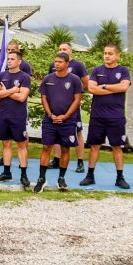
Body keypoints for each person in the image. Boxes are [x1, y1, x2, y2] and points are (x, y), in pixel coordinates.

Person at [81, 45, 131, 189]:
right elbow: (91, 89)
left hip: (116, 116)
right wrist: (112, 88)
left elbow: (123, 87)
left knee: (117, 146)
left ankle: (120, 178)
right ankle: (90, 176)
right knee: (94, 146)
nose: (107, 56)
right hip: (97, 116)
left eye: (110, 53)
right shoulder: (97, 70)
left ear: (117, 55)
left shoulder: (123, 70)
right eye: (105, 53)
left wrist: (102, 86)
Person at [37, 53, 83, 192]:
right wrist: (51, 115)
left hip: (68, 121)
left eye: (60, 62)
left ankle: (61, 178)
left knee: (65, 148)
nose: (56, 64)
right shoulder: (48, 78)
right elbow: (43, 98)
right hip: (50, 120)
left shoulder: (74, 80)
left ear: (67, 63)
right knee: (46, 147)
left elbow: (77, 99)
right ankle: (41, 178)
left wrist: (66, 115)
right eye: (55, 61)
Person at [48, 42, 89, 173]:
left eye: (64, 49)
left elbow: (86, 83)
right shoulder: (53, 65)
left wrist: (76, 97)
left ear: (71, 51)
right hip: (56, 107)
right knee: (56, 132)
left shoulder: (78, 65)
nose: (62, 50)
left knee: (78, 132)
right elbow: (49, 83)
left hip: (72, 108)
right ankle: (56, 159)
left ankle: (80, 162)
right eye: (60, 49)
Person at [0, 51, 31, 186]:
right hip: (3, 115)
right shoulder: (1, 75)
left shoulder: (25, 77)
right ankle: (6, 172)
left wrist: (5, 91)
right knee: (6, 144)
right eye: (8, 59)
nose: (9, 61)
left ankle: (23, 175)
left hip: (18, 116)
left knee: (21, 144)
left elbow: (22, 97)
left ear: (19, 61)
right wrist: (13, 90)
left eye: (12, 59)